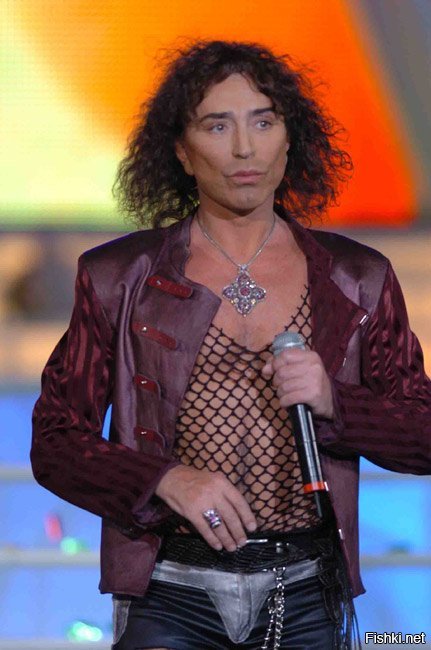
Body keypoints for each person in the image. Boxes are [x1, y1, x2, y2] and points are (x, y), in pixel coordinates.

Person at [31, 40, 431, 650]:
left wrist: (337, 403)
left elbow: (423, 434)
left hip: (305, 592)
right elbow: (56, 441)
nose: (245, 148)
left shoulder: (357, 278)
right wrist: (163, 479)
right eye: (218, 126)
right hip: (168, 589)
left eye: (263, 122)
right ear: (181, 151)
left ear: (290, 139)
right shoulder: (120, 278)